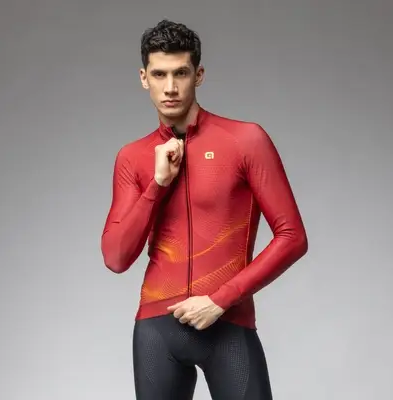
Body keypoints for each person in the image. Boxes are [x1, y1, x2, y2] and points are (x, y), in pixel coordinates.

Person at [101, 19, 308, 400]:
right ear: (144, 78)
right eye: (159, 74)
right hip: (156, 330)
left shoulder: (245, 140)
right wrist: (157, 184)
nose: (170, 87)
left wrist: (220, 300)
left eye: (180, 73)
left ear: (198, 75)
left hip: (226, 323)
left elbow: (293, 237)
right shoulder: (133, 157)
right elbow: (115, 257)